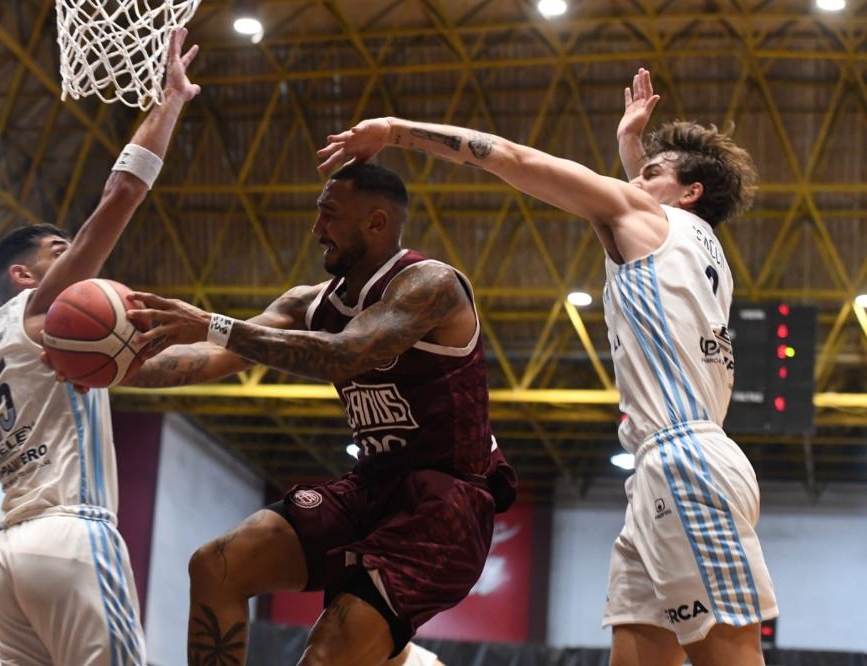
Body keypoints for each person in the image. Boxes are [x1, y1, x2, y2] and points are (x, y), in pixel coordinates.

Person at [316, 69, 777, 666]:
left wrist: (396, 130)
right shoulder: (704, 250)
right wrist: (632, 147)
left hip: (685, 464)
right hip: (667, 470)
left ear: (689, 192)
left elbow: (511, 156)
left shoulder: (646, 215)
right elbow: (643, 197)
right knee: (638, 653)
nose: (635, 179)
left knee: (731, 656)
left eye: (650, 173)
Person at [120, 162, 515, 665]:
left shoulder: (431, 285)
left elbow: (344, 354)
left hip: (445, 506)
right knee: (217, 566)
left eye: (329, 215)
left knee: (325, 655)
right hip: (371, 485)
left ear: (376, 222)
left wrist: (212, 323)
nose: (316, 229)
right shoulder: (308, 303)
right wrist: (113, 370)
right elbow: (213, 356)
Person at [0, 29, 200, 666]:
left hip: (10, 554)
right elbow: (122, 193)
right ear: (24, 275)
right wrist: (169, 102)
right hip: (71, 531)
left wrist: (245, 334)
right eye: (59, 250)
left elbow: (184, 364)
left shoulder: (0, 344)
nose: (73, 254)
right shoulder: (41, 310)